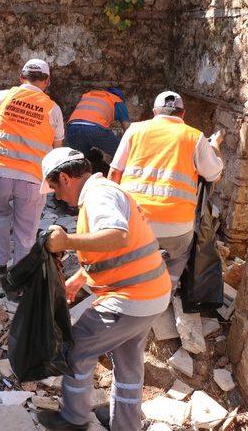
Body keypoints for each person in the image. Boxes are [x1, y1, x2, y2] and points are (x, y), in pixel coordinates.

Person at [37, 147, 172, 431]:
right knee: (128, 365)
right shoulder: (104, 191)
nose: (58, 197)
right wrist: (81, 278)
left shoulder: (98, 196)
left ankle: (73, 420)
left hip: (130, 299)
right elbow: (118, 252)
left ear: (64, 178)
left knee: (76, 350)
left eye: (55, 189)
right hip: (151, 294)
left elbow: (117, 237)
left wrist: (66, 242)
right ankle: (126, 425)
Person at [108, 91, 224, 289]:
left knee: (129, 256)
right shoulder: (195, 137)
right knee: (179, 255)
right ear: (183, 114)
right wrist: (215, 147)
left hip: (135, 221)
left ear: (154, 112)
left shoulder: (135, 130)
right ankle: (163, 292)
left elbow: (114, 174)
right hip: (175, 228)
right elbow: (214, 175)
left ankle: (129, 288)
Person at [0, 58, 64, 277]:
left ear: (21, 77)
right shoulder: (53, 109)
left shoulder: (2, 96)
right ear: (47, 81)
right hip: (32, 178)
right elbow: (57, 147)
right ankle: (19, 277)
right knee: (26, 229)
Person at [65, 87, 130, 172]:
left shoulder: (90, 95)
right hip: (95, 128)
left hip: (72, 128)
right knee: (123, 154)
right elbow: (129, 131)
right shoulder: (117, 100)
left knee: (78, 161)